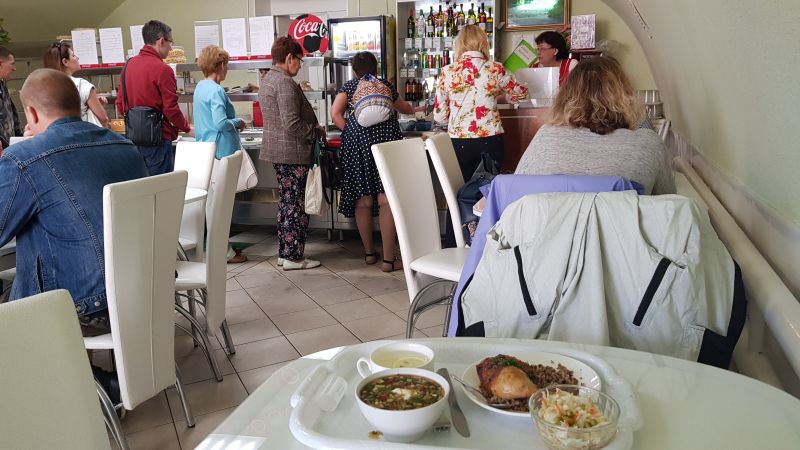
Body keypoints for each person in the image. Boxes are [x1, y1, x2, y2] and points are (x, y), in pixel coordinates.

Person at [0, 68, 148, 330]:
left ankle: (67, 369)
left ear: (31, 113)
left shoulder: (23, 159)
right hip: (141, 289)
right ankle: (88, 370)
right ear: (78, 105)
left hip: (81, 306)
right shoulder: (125, 146)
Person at [515, 57, 676, 195]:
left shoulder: (545, 138)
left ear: (565, 97)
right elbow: (667, 204)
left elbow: (517, 194)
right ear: (626, 95)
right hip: (621, 230)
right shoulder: (648, 144)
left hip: (548, 230)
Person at [330, 52, 414, 271]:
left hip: (357, 145)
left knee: (363, 200)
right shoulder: (385, 85)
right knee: (386, 198)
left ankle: (369, 254)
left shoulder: (349, 87)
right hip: (386, 144)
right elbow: (404, 108)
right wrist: (417, 110)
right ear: (376, 68)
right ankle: (388, 259)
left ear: (354, 70)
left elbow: (335, 113)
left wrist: (350, 131)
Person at [259, 37, 325, 271]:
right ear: (289, 58)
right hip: (292, 152)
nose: (300, 65)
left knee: (287, 203)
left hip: (280, 152)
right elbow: (292, 123)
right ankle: (293, 257)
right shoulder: (285, 83)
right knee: (295, 206)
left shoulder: (268, 79)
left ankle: (285, 253)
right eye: (299, 60)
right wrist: (315, 131)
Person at [434, 25, 528, 182]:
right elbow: (522, 93)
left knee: (460, 190)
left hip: (458, 140)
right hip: (490, 139)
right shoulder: (495, 68)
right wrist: (504, 95)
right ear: (483, 43)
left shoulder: (447, 71)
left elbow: (440, 116)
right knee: (488, 193)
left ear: (460, 44)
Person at [193, 44, 248, 264]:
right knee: (220, 207)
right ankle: (222, 251)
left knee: (212, 205)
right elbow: (220, 123)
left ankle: (219, 248)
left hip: (207, 152)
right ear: (221, 65)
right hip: (221, 153)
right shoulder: (216, 90)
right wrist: (239, 122)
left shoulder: (200, 88)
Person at [115, 19, 191, 176]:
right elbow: (171, 109)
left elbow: (120, 104)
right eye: (170, 42)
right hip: (158, 142)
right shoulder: (163, 70)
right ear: (161, 41)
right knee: (161, 193)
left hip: (134, 141)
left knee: (141, 192)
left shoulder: (128, 66)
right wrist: (186, 128)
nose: (171, 48)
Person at [43, 42, 109, 127]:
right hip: (82, 135)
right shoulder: (81, 85)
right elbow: (103, 118)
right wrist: (98, 106)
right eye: (73, 55)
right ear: (65, 61)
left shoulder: (44, 88)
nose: (77, 58)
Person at [0, 46, 21, 150]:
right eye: (12, 63)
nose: (14, 68)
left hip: (9, 148)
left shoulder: (2, 84)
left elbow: (12, 114)